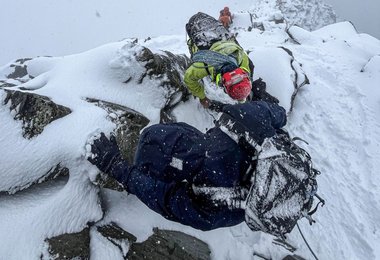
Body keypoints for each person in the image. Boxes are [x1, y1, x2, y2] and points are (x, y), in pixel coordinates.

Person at [184, 12, 260, 109]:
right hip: (195, 26)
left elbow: (248, 68)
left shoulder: (240, 57)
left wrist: (242, 95)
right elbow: (188, 78)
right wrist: (202, 97)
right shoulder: (204, 64)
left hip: (211, 26)